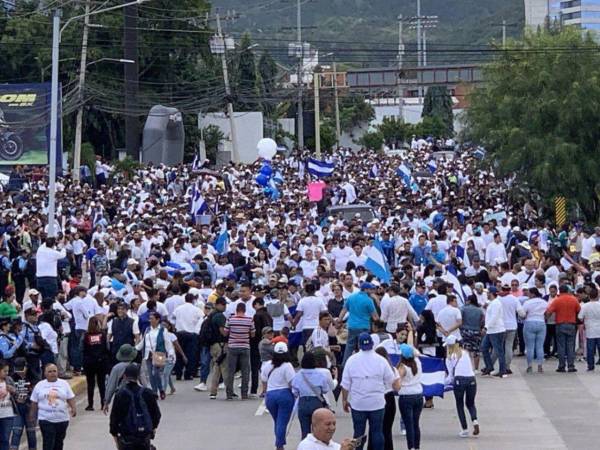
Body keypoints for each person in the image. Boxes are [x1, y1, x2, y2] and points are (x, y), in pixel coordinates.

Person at [341, 333, 400, 450]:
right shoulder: (381, 360)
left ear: (358, 345)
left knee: (358, 432)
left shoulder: (351, 360)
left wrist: (344, 400)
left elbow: (345, 384)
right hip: (377, 403)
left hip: (358, 403)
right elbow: (391, 381)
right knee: (377, 431)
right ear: (372, 344)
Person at [109, 363, 161, 450]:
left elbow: (114, 418)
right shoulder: (147, 393)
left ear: (125, 376)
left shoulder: (120, 394)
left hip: (126, 438)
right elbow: (157, 415)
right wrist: (152, 429)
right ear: (138, 377)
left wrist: (116, 438)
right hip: (144, 438)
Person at [29, 364, 76, 450]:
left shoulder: (64, 384)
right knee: (48, 442)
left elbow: (70, 397)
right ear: (45, 373)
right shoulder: (40, 385)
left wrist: (73, 408)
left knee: (58, 443)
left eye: (54, 371)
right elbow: (34, 402)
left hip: (62, 419)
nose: (52, 373)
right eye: (49, 372)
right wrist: (32, 415)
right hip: (45, 419)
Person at [261, 342, 296, 450]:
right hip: (284, 395)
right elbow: (292, 383)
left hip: (271, 395)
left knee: (277, 421)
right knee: (282, 421)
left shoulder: (267, 365)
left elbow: (264, 380)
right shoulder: (287, 366)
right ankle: (279, 445)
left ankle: (280, 442)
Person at [444, 335, 480, 438]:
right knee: (470, 403)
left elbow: (450, 377)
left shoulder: (450, 357)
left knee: (460, 404)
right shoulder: (465, 353)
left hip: (459, 380)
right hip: (471, 379)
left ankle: (464, 429)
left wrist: (442, 384)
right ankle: (475, 420)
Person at [292, 351, 331, 439]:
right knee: (317, 430)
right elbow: (325, 390)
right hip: (316, 402)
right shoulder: (320, 374)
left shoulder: (298, 375)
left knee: (304, 430)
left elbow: (294, 391)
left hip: (303, 403)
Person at [136, 312, 174, 399]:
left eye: (152, 318)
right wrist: (136, 348)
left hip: (158, 354)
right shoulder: (147, 329)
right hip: (148, 354)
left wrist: (170, 353)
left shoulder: (163, 330)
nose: (150, 320)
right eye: (150, 318)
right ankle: (154, 392)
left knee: (155, 372)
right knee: (150, 374)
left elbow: (167, 343)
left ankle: (160, 389)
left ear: (157, 320)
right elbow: (143, 341)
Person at [339, 283, 379, 365]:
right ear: (366, 290)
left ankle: (344, 365)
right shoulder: (368, 300)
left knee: (349, 347)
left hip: (352, 326)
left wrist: (339, 320)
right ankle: (362, 364)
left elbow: (343, 310)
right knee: (363, 347)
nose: (372, 291)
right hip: (364, 327)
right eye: (371, 289)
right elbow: (375, 317)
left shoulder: (351, 297)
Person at [545, 285, 581, 373]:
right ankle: (571, 366)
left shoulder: (557, 300)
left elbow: (548, 312)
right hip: (571, 324)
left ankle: (561, 366)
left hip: (560, 324)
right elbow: (579, 310)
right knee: (570, 345)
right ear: (568, 291)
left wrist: (546, 319)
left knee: (561, 346)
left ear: (559, 291)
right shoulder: (574, 299)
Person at [224, 302, 255, 400]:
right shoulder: (249, 320)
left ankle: (229, 394)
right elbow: (253, 334)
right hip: (245, 346)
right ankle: (244, 394)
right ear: (245, 310)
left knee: (231, 371)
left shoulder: (230, 319)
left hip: (232, 346)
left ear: (236, 310)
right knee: (245, 371)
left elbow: (225, 332)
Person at [396, 344, 423, 450]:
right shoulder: (417, 362)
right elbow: (417, 353)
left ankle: (410, 446)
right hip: (418, 395)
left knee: (408, 424)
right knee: (416, 423)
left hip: (406, 396)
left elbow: (397, 383)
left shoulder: (402, 367)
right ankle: (417, 447)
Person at [82, 316, 110, 411]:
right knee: (101, 384)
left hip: (89, 362)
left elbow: (81, 349)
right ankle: (103, 403)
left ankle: (90, 404)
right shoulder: (102, 335)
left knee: (90, 384)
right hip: (101, 362)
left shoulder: (86, 335)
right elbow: (106, 348)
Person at [103, 344, 139, 415]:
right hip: (136, 396)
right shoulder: (137, 367)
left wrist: (106, 402)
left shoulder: (116, 368)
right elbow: (144, 384)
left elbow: (111, 387)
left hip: (121, 397)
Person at [10, 357, 36, 450]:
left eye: (21, 369)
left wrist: (28, 398)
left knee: (31, 433)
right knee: (16, 432)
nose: (19, 372)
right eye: (17, 369)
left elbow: (36, 394)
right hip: (17, 409)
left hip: (30, 408)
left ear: (26, 367)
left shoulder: (33, 377)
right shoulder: (11, 378)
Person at [519, 287, 547, 373]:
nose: (528, 295)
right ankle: (540, 365)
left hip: (530, 322)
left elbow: (522, 314)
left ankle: (530, 366)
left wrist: (524, 316)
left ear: (533, 294)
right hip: (541, 322)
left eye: (529, 294)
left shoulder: (528, 302)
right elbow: (547, 311)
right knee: (540, 346)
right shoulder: (544, 302)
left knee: (530, 346)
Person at [480, 288, 507, 378]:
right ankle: (489, 367)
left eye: (488, 293)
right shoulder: (492, 303)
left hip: (496, 330)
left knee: (499, 351)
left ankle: (502, 370)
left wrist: (486, 327)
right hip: (491, 330)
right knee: (484, 348)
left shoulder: (496, 303)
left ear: (491, 293)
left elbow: (494, 317)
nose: (486, 294)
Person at [578, 287, 600, 371]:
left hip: (590, 329)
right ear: (597, 296)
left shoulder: (585, 306)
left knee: (590, 349)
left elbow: (580, 317)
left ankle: (590, 366)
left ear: (589, 296)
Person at [0, 360, 15, 450]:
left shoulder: (9, 380)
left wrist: (12, 390)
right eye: (4, 371)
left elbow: (16, 392)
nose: (7, 373)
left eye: (7, 371)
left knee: (5, 439)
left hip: (8, 414)